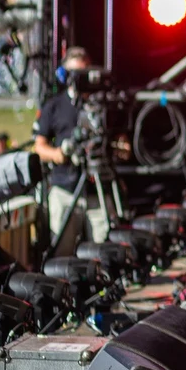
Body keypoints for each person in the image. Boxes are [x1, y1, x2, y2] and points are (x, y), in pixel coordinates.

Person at [33, 47, 111, 244]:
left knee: (103, 247)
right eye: (75, 74)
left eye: (84, 73)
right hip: (65, 190)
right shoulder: (54, 105)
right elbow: (39, 147)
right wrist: (58, 154)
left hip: (97, 192)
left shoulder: (102, 105)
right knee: (62, 248)